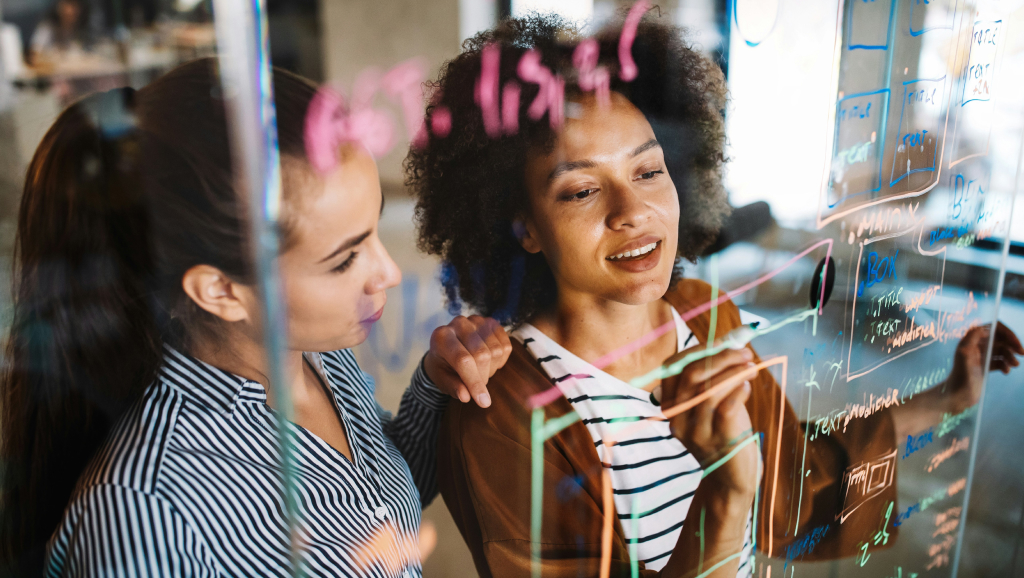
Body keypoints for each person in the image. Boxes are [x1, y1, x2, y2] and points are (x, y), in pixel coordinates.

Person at [406, 12, 1023, 578]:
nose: (635, 211)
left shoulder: (706, 312)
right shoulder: (503, 404)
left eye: (648, 171)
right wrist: (724, 492)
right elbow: (743, 484)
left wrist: (947, 397)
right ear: (523, 226)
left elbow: (793, 477)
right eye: (580, 191)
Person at [0, 58, 510, 576]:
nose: (390, 272)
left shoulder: (320, 358)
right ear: (221, 291)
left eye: (374, 231)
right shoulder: (142, 510)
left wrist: (436, 385)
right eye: (345, 258)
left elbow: (382, 500)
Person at [29, 0, 92, 67]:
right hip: (52, 73)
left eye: (75, 6)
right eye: (68, 5)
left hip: (78, 73)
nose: (71, 11)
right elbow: (33, 57)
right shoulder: (47, 29)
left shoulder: (83, 30)